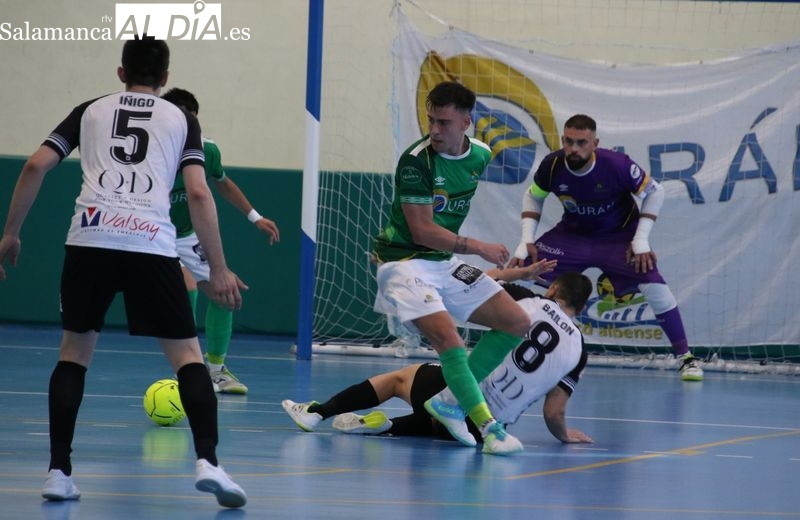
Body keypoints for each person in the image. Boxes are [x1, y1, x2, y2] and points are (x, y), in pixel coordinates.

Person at [0, 37, 247, 508]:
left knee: (73, 355)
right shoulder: (182, 119)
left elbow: (34, 166)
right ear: (165, 78)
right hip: (149, 243)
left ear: (120, 73)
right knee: (188, 358)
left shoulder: (89, 110)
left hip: (89, 239)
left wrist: (11, 233)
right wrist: (218, 268)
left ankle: (58, 473)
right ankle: (208, 462)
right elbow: (199, 193)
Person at [371, 81, 533, 455]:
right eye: (430, 120)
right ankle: (490, 430)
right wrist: (479, 247)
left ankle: (448, 401)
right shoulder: (416, 161)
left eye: (443, 122)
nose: (434, 130)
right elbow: (423, 231)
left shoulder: (481, 155)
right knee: (450, 340)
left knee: (516, 322)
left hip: (443, 263)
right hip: (404, 262)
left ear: (466, 123)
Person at [282, 268, 594, 446]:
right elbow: (554, 412)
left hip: (462, 397)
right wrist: (565, 437)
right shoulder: (579, 351)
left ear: (553, 289)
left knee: (401, 379)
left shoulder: (526, 299)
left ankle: (317, 412)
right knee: (440, 421)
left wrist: (517, 273)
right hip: (486, 430)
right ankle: (388, 425)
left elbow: (476, 281)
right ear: (580, 308)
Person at [509, 114, 703, 382]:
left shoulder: (616, 165)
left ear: (595, 143)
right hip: (573, 237)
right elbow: (533, 195)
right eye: (568, 141)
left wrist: (640, 240)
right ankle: (519, 347)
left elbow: (655, 192)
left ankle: (685, 357)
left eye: (581, 143)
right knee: (523, 268)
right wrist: (526, 240)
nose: (573, 149)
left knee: (654, 286)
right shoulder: (553, 165)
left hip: (619, 239)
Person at [162, 88, 280, 395]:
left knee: (225, 292)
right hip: (153, 234)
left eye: (192, 123)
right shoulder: (152, 151)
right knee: (187, 287)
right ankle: (187, 368)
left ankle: (215, 371)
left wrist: (255, 217)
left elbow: (223, 183)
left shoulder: (207, 151)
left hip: (187, 236)